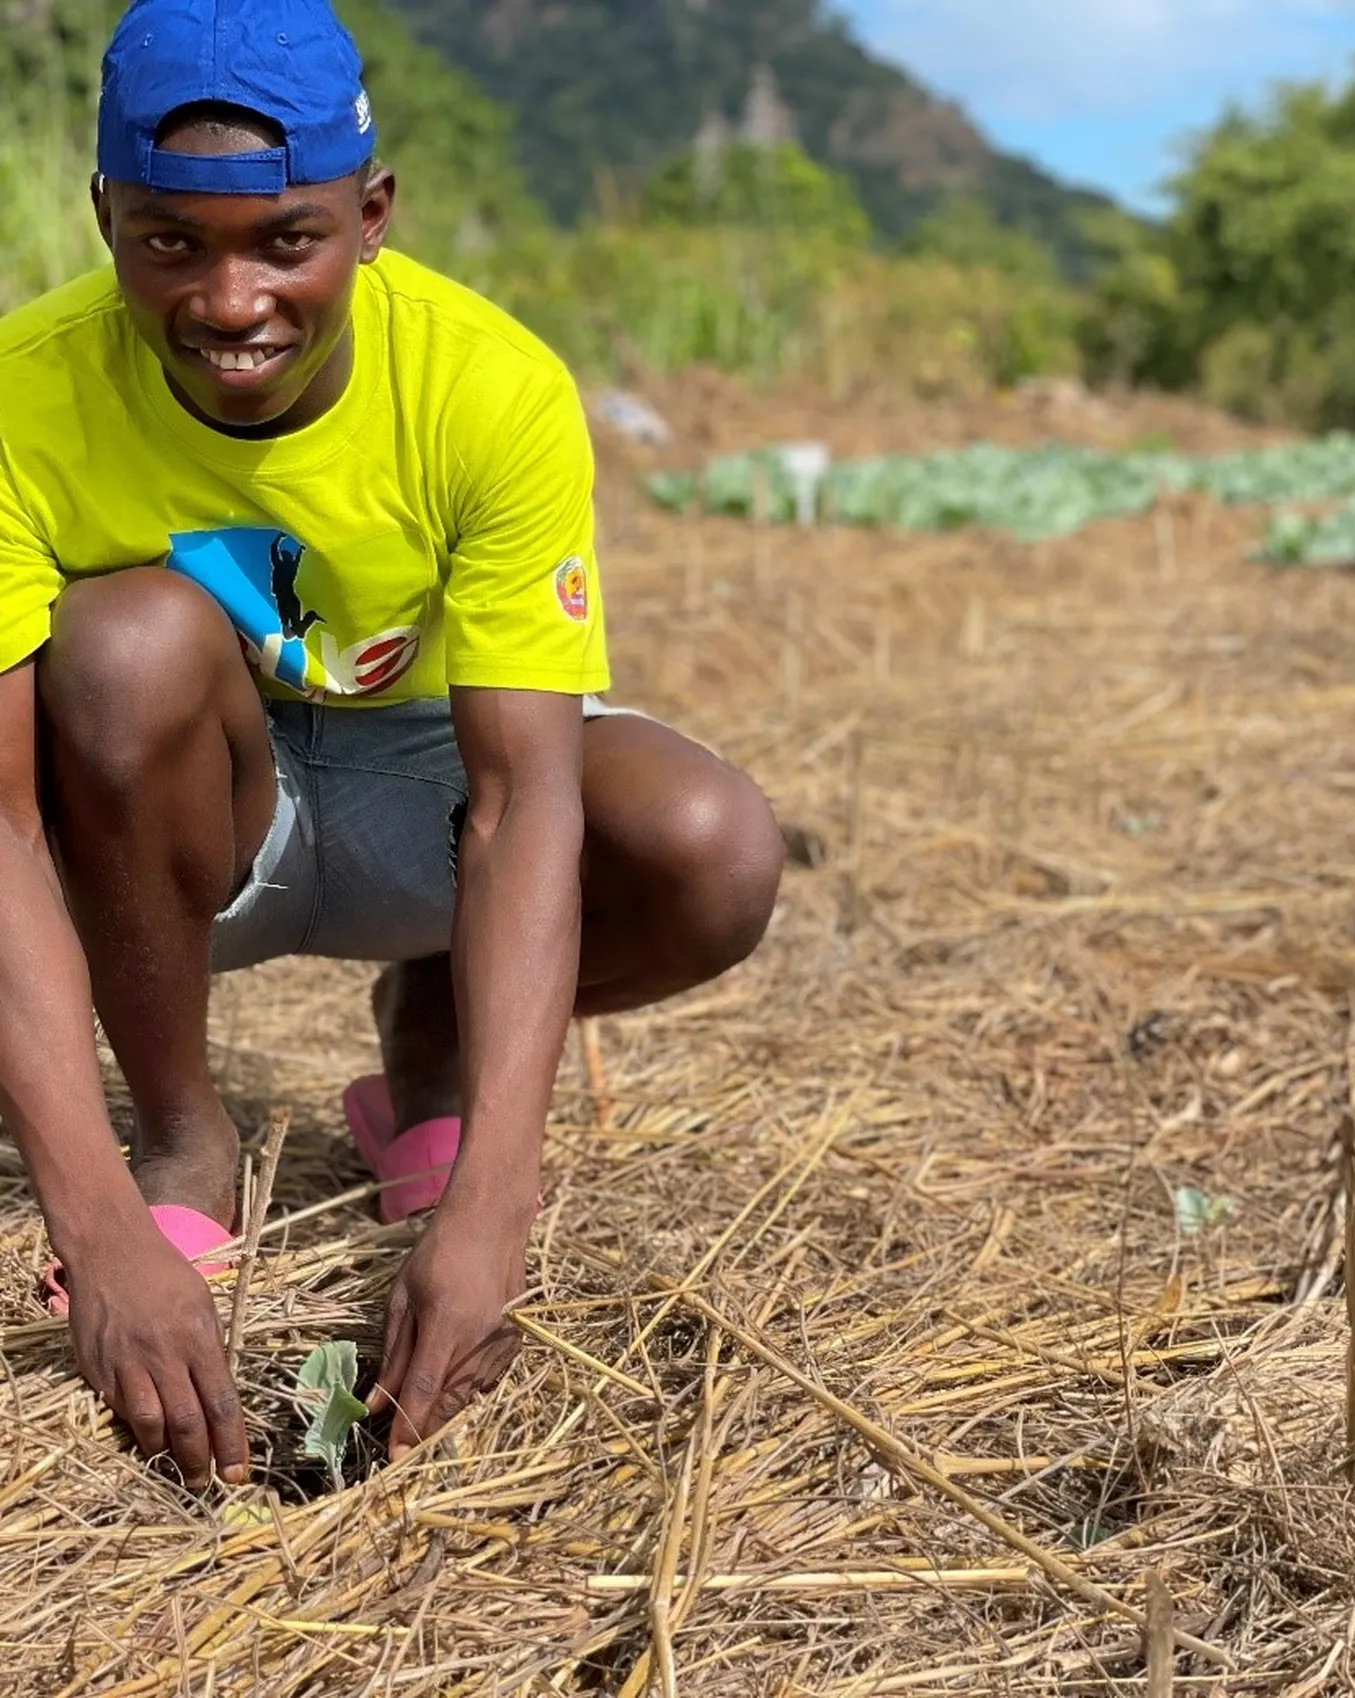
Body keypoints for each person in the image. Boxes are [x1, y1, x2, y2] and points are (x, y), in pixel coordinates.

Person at [0, 0, 783, 1490]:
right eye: (170, 243)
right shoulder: (17, 398)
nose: (229, 301)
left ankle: (429, 1037)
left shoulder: (488, 387)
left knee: (713, 850)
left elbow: (518, 795)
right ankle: (180, 1137)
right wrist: (95, 1220)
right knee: (126, 647)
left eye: (282, 241)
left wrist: (496, 1194)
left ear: (369, 219)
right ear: (103, 213)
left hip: (419, 781)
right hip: (176, 812)